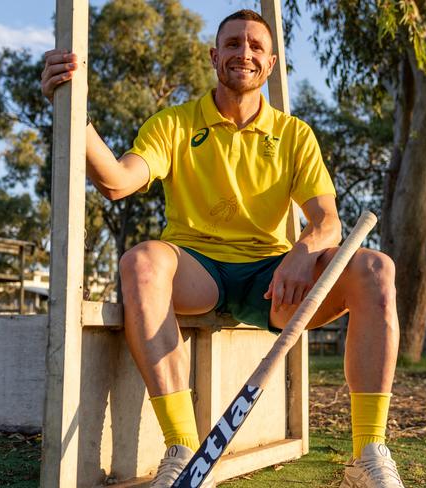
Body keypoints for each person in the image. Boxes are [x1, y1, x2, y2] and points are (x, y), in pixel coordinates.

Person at [41, 9, 404, 488]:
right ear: (215, 56)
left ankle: (368, 455)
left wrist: (301, 251)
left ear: (270, 64)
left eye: (255, 46)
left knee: (376, 268)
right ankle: (184, 451)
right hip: (198, 271)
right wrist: (74, 108)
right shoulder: (174, 123)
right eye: (233, 44)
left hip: (274, 280)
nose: (244, 53)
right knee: (142, 261)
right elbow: (115, 182)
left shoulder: (294, 135)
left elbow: (328, 223)